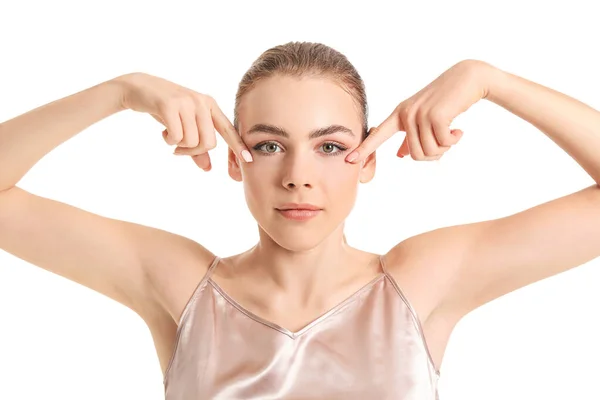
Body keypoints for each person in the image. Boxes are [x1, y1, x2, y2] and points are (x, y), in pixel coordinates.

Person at [1, 41, 599, 400]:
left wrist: (488, 79)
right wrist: (121, 91)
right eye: (267, 145)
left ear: (366, 160)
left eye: (331, 146)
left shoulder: (421, 282)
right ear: (236, 160)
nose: (297, 175)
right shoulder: (181, 286)